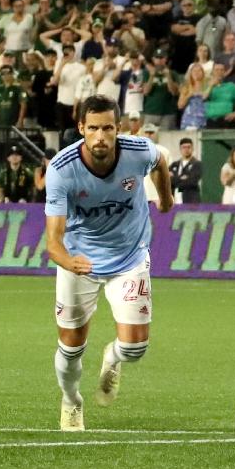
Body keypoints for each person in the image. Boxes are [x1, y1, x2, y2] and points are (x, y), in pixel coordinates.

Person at [44, 95, 174, 432]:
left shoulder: (138, 151)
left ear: (118, 129)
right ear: (81, 129)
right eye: (93, 129)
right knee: (71, 348)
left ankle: (113, 358)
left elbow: (160, 161)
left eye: (107, 128)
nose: (100, 136)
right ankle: (71, 400)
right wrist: (68, 262)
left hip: (129, 258)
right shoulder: (61, 169)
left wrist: (166, 197)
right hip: (79, 260)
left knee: (135, 348)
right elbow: (53, 242)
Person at [170, 138, 202, 204]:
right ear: (180, 149)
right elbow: (168, 180)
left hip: (190, 200)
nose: (186, 149)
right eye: (184, 147)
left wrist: (175, 178)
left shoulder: (197, 164)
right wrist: (182, 178)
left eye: (188, 147)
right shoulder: (174, 165)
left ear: (192, 149)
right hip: (175, 199)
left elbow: (192, 181)